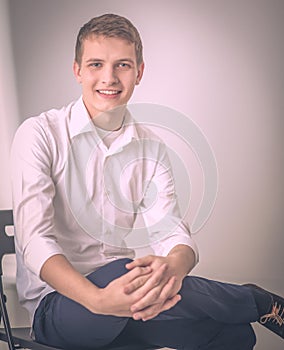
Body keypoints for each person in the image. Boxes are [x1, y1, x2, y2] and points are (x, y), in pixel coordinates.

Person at [11, 13, 283, 350]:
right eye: (96, 64)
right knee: (123, 271)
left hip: (131, 300)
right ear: (77, 70)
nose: (108, 78)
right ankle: (258, 301)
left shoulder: (150, 147)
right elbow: (35, 242)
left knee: (233, 334)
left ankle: (243, 303)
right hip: (61, 308)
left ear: (139, 72)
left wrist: (173, 267)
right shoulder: (39, 134)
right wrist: (98, 301)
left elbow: (171, 231)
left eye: (122, 65)